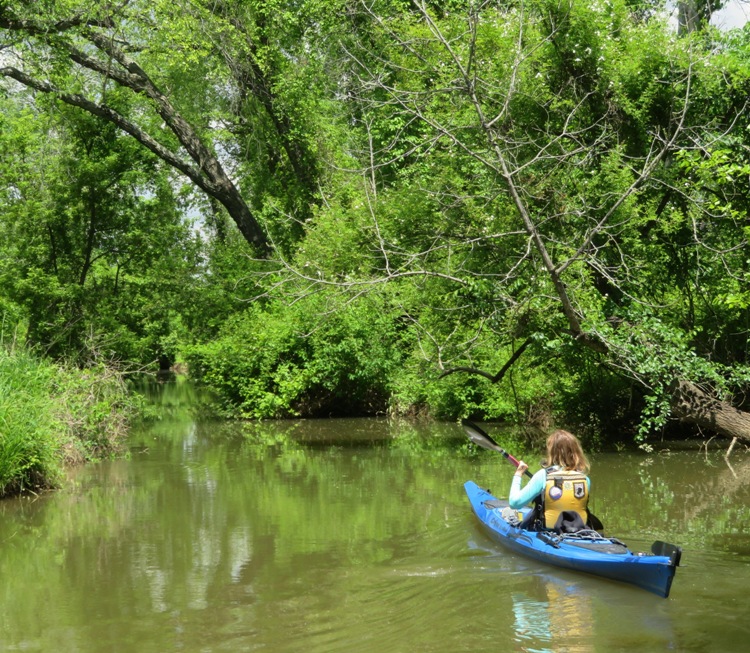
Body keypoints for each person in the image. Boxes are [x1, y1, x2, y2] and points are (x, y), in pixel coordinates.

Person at [508, 429, 592, 531]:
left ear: (552, 452)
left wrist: (518, 474)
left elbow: (514, 503)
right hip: (578, 531)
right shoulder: (584, 479)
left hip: (548, 532)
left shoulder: (543, 475)